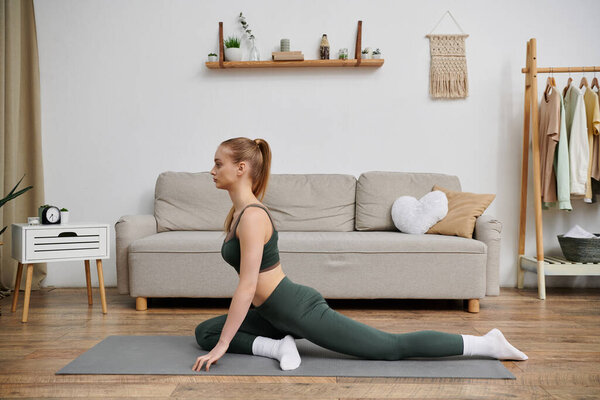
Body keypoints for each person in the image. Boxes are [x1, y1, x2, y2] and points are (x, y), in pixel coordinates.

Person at [192, 137, 528, 372]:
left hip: (295, 308)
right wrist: (221, 341)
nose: (211, 170)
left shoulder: (251, 216)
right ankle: (280, 346)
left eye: (217, 163)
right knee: (205, 333)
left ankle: (486, 344)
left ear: (239, 168)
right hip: (270, 315)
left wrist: (225, 347)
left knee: (389, 348)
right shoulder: (237, 213)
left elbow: (247, 286)